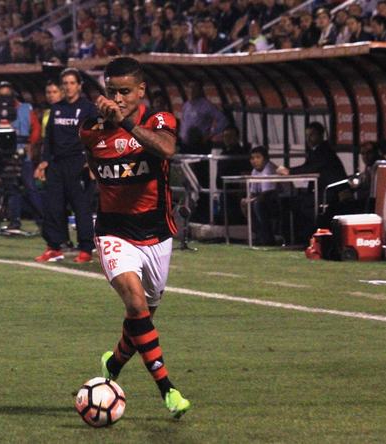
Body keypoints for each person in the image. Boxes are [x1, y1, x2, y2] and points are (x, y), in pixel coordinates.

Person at [77, 56, 190, 418]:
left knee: (141, 319)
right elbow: (94, 165)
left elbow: (166, 149)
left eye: (125, 91)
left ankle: (113, 363)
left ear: (141, 90)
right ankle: (168, 390)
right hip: (114, 231)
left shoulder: (159, 120)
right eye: (112, 91)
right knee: (137, 306)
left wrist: (124, 123)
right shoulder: (90, 128)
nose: (118, 98)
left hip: (156, 233)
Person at [34, 68, 96, 263]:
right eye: (65, 84)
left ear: (79, 86)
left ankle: (86, 248)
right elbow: (49, 138)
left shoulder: (88, 109)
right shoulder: (56, 108)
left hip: (79, 164)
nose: (68, 87)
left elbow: (96, 137)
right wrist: (44, 161)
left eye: (72, 83)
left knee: (81, 207)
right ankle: (54, 247)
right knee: (53, 207)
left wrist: (92, 161)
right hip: (57, 164)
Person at [0, 81, 42, 230]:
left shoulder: (25, 109)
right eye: (1, 95)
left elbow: (36, 128)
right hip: (4, 155)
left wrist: (30, 143)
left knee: (30, 187)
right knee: (10, 189)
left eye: (7, 94)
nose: (4, 98)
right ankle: (14, 221)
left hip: (22, 153)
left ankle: (42, 219)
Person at [241, 146, 279, 245]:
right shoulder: (254, 171)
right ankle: (259, 235)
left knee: (258, 204)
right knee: (247, 203)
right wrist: (247, 200)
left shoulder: (269, 169)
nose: (255, 161)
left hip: (281, 199)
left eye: (258, 157)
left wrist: (252, 200)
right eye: (252, 158)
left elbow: (267, 193)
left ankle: (268, 238)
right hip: (264, 198)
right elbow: (253, 192)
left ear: (265, 159)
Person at [178, 80, 228, 153]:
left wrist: (211, 134)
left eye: (195, 88)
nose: (191, 90)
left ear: (200, 90)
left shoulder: (206, 105)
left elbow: (223, 120)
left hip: (200, 144)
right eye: (190, 87)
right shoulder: (186, 105)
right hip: (184, 144)